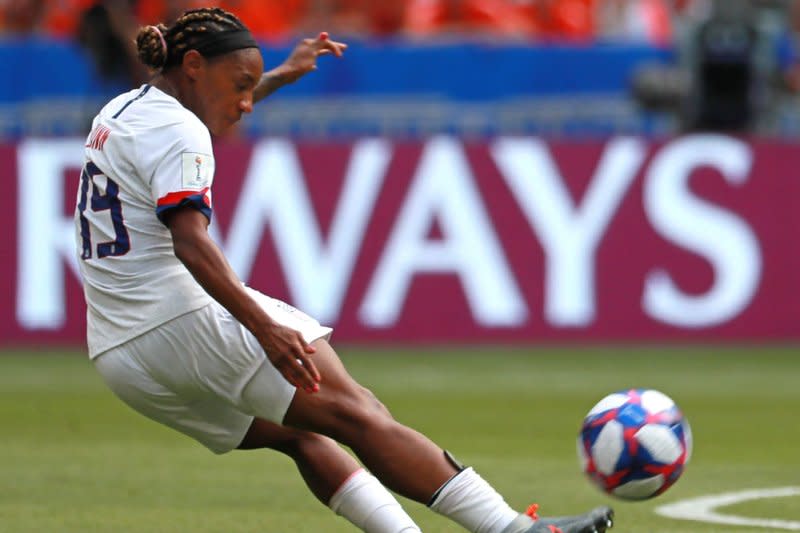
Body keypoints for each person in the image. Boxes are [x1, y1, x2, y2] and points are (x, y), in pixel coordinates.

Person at [74, 7, 614, 533]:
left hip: (122, 354)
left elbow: (203, 119)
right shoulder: (181, 133)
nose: (246, 103)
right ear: (193, 65)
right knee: (361, 414)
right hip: (185, 319)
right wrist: (265, 328)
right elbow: (190, 242)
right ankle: (512, 529)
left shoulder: (121, 112)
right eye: (240, 84)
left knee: (304, 434)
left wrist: (280, 77)